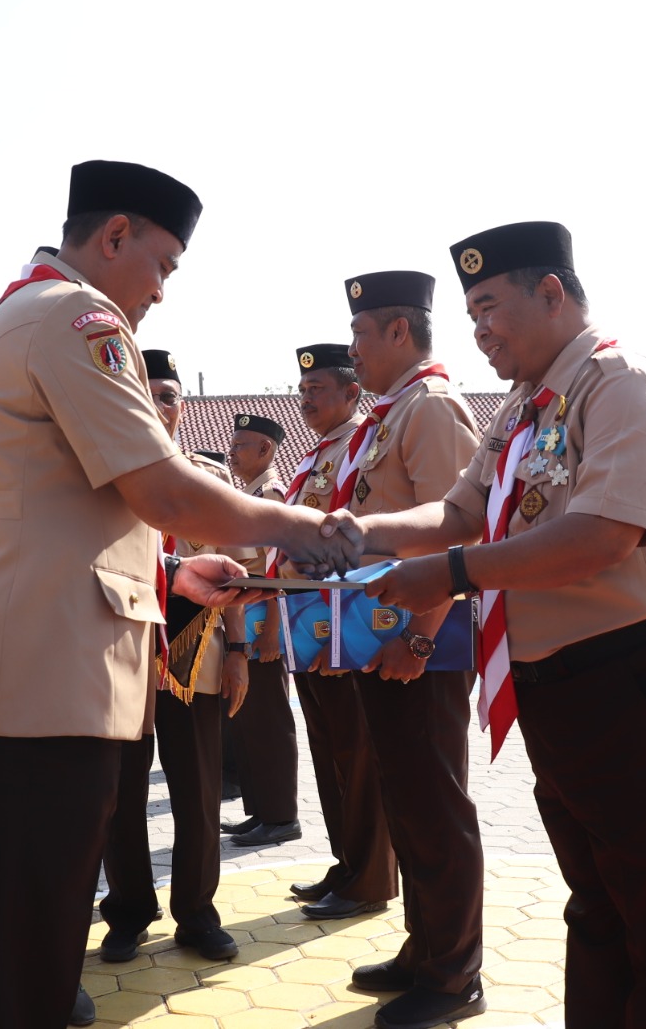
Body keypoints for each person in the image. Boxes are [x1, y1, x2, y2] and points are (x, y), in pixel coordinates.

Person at [0, 159, 361, 1028]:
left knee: (20, 946)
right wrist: (304, 526)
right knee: (22, 955)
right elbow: (162, 490)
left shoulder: (23, 315)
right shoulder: (79, 318)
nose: (160, 291)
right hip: (37, 688)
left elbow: (51, 516)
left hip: (20, 673)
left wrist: (169, 576)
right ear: (114, 236)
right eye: (162, 264)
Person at [356, 221, 646, 1028]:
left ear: (552, 293)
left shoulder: (620, 384)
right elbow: (458, 512)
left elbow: (602, 534)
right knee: (597, 903)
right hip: (561, 688)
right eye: (470, 315)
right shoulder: (526, 406)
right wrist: (354, 535)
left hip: (642, 676)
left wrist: (450, 576)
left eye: (490, 307)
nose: (480, 330)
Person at [312, 268, 484, 1029]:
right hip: (384, 641)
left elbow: (457, 533)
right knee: (409, 803)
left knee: (435, 804)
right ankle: (425, 948)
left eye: (359, 333)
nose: (353, 350)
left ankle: (453, 976)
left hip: (423, 644)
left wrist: (421, 634)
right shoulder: (393, 412)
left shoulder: (434, 409)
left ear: (398, 332)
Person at [99, 349, 250, 966]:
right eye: (149, 393)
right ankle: (128, 913)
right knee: (119, 795)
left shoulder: (209, 479)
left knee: (196, 793)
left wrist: (239, 651)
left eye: (169, 396)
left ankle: (198, 912)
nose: (160, 405)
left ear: (183, 408)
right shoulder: (105, 477)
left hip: (196, 662)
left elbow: (241, 572)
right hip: (122, 656)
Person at [274, 343, 399, 919]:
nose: (306, 399)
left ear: (352, 392)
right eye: (302, 391)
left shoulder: (361, 445)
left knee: (359, 748)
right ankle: (348, 861)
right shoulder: (319, 452)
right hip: (310, 618)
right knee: (330, 750)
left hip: (346, 619)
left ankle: (371, 877)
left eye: (317, 389)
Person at [222, 412, 301, 848]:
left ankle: (282, 815)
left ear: (265, 450)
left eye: (239, 446)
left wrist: (273, 631)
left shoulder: (271, 494)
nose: (231, 453)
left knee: (269, 720)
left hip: (263, 626)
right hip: (246, 623)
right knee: (249, 721)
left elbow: (277, 571)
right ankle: (261, 812)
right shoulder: (250, 492)